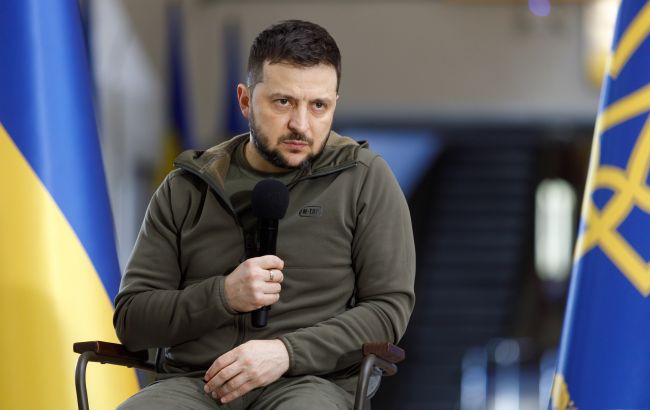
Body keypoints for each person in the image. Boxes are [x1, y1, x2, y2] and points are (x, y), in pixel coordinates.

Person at [114, 19, 415, 409]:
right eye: (283, 102)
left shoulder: (364, 178)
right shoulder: (186, 186)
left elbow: (387, 311)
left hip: (310, 383)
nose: (300, 125)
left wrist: (287, 352)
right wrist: (223, 295)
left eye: (318, 106)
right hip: (196, 383)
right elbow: (133, 321)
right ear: (245, 101)